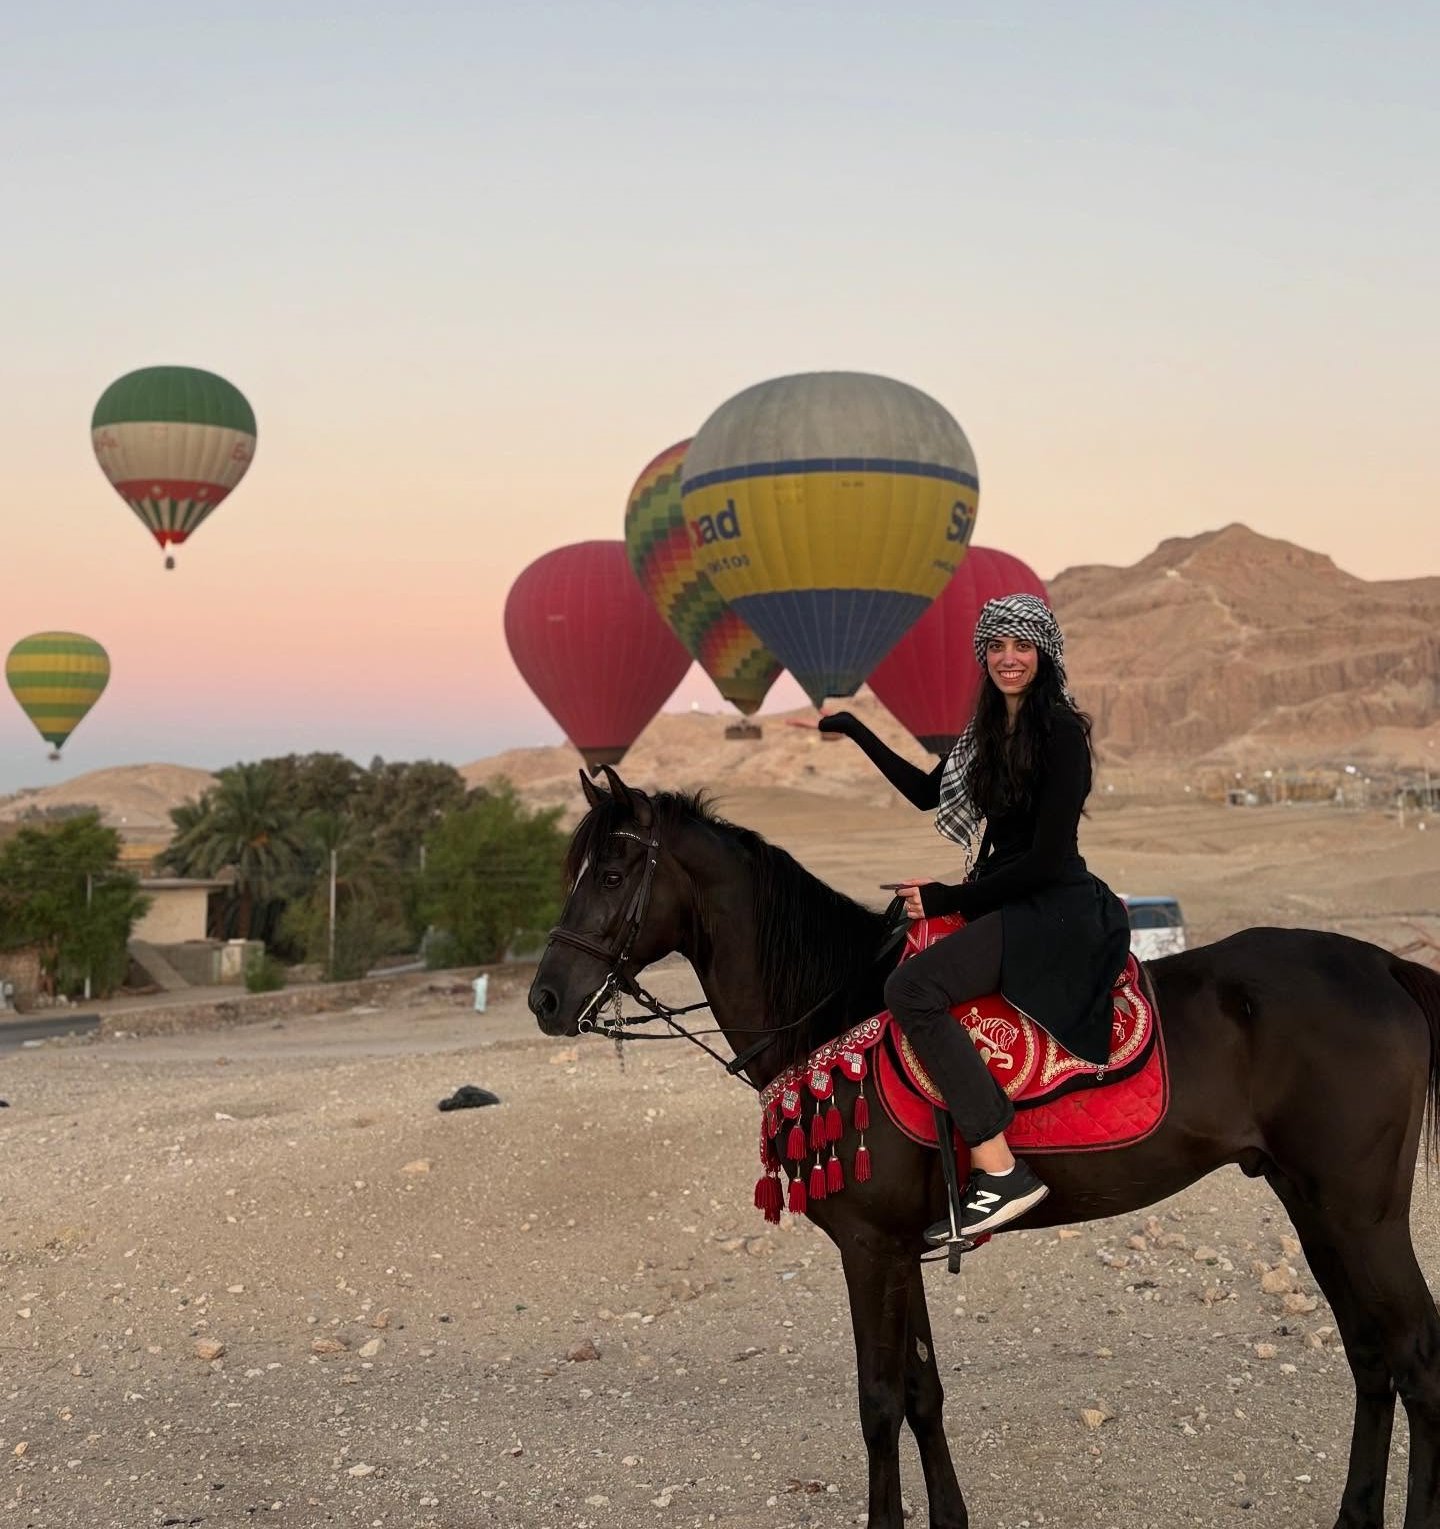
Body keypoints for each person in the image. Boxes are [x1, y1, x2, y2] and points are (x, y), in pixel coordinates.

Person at [820, 594, 1130, 1243]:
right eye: (996, 646)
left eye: (1022, 645)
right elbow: (926, 792)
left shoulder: (1062, 733)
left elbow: (1046, 860)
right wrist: (856, 729)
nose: (1008, 658)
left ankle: (999, 1165)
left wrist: (946, 898)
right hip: (1006, 897)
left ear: (1044, 654)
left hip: (1055, 907)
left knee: (912, 989)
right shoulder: (985, 733)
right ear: (983, 655)